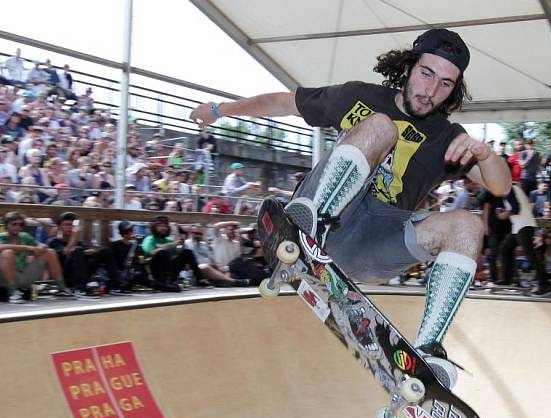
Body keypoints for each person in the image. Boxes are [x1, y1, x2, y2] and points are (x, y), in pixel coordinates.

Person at [189, 28, 511, 389]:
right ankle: (310, 228)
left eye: (446, 84)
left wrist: (485, 152)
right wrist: (220, 110)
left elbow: (501, 185)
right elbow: (284, 103)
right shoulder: (359, 96)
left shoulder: (448, 138)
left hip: (372, 241)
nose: (431, 91)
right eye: (426, 74)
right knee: (380, 126)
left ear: (454, 90)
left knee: (468, 226)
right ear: (409, 67)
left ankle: (428, 351)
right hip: (328, 211)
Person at [1, 211, 72, 303]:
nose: (18, 227)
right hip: (4, 279)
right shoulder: (1, 237)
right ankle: (13, 292)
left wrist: (39, 249)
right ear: (7, 225)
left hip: (23, 274)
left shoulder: (24, 236)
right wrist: (27, 247)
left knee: (50, 252)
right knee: (7, 252)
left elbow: (41, 245)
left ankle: (62, 289)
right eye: (14, 224)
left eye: (21, 225)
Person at [142, 215, 209, 292]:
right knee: (162, 252)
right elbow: (149, 253)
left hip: (170, 271)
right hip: (155, 271)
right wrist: (168, 246)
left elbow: (178, 253)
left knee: (188, 252)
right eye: (160, 226)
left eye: (165, 226)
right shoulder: (150, 239)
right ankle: (165, 282)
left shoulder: (168, 240)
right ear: (154, 227)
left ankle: (200, 279)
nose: (163, 228)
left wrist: (182, 245)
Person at [110, 221, 149, 292]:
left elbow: (141, 261)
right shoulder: (115, 245)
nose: (131, 232)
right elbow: (112, 262)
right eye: (129, 231)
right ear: (123, 233)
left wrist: (139, 269)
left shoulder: (137, 247)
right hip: (120, 274)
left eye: (132, 230)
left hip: (134, 274)